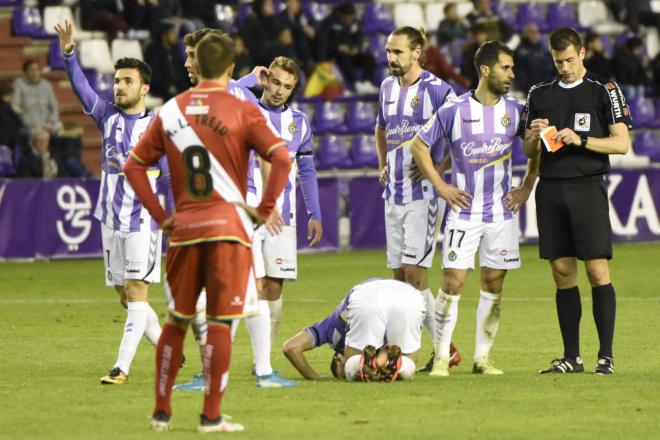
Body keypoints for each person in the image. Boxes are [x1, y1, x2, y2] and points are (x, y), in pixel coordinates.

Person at [123, 32, 292, 433]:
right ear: (232, 69)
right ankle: (211, 416)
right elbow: (281, 158)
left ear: (195, 64)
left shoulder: (170, 110)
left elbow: (133, 166)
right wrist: (265, 209)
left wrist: (163, 216)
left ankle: (161, 411)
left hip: (183, 231)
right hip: (229, 233)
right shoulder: (242, 110)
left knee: (176, 321)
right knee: (219, 324)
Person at [173, 27, 296, 391]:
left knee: (227, 290)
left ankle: (236, 371)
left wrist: (266, 203)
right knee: (244, 291)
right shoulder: (205, 98)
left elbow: (271, 155)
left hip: (232, 211)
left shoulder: (233, 101)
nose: (186, 62)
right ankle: (259, 371)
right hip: (211, 209)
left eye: (192, 54)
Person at [410, 41, 537, 377]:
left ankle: (482, 359)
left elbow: (533, 149)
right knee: (452, 283)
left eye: (512, 68)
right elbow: (418, 146)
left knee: (494, 284)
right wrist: (441, 185)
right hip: (464, 212)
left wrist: (527, 186)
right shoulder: (454, 109)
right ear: (485, 70)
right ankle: (440, 358)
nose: (511, 74)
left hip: (501, 213)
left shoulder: (517, 110)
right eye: (505, 68)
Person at [56, 20, 167, 385]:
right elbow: (80, 87)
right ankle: (171, 349)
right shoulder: (107, 117)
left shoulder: (158, 128)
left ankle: (121, 368)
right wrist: (69, 52)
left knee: (137, 292)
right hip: (109, 219)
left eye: (128, 81)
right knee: (125, 296)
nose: (119, 86)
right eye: (117, 80)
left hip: (141, 221)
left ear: (144, 88)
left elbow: (169, 175)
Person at [523, 27, 632, 375]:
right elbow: (527, 150)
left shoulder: (605, 89)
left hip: (586, 186)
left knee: (597, 269)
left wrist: (581, 140)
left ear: (582, 53)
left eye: (570, 59)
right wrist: (534, 134)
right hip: (551, 187)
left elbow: (621, 144)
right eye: (558, 61)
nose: (565, 67)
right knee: (561, 271)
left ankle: (606, 356)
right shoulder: (538, 93)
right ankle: (572, 357)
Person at [375, 26, 457, 355]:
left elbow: (461, 137)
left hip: (422, 196)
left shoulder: (439, 91)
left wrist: (439, 168)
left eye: (397, 52)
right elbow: (381, 127)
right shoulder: (386, 88)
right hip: (392, 194)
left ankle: (442, 347)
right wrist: (382, 163)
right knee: (398, 276)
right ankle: (404, 345)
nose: (391, 58)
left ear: (416, 54)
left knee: (415, 273)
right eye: (388, 51)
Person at [247, 56, 323, 352]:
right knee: (250, 285)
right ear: (265, 79)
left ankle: (261, 359)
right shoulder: (246, 110)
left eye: (287, 86)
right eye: (275, 82)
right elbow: (223, 89)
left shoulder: (300, 123)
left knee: (274, 287)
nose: (279, 90)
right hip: (250, 210)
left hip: (284, 214)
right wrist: (248, 79)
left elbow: (306, 170)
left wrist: (315, 213)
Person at [282, 278, 425, 382]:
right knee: (407, 364)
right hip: (409, 295)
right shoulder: (332, 327)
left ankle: (361, 364)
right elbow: (290, 348)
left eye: (341, 370)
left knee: (355, 366)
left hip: (367, 297)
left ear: (339, 359)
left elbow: (290, 347)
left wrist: (315, 378)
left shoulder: (332, 330)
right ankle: (390, 364)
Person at [317, 2, 378, 94]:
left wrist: (356, 48)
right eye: (348, 17)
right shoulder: (329, 21)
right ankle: (356, 83)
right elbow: (324, 41)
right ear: (341, 15)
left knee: (369, 58)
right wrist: (339, 47)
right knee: (342, 56)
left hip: (350, 53)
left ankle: (367, 82)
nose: (350, 19)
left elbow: (359, 36)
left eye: (351, 17)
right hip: (334, 55)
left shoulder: (355, 21)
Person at [144, 21, 190, 101]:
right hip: (162, 88)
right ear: (164, 36)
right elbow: (153, 74)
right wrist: (167, 86)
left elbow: (181, 69)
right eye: (172, 33)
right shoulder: (152, 50)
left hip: (179, 86)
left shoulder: (175, 48)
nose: (176, 36)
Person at [12, 60, 60, 133]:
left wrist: (51, 121)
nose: (35, 72)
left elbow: (54, 105)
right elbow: (15, 106)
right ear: (25, 72)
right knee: (38, 134)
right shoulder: (18, 84)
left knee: (67, 132)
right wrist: (27, 122)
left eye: (37, 69)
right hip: (29, 125)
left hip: (48, 123)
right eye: (31, 70)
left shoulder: (46, 84)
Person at [513, 24, 555, 95]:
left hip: (545, 86)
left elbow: (550, 66)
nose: (535, 35)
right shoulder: (520, 52)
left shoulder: (542, 49)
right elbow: (519, 73)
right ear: (525, 34)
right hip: (529, 88)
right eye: (531, 32)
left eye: (536, 32)